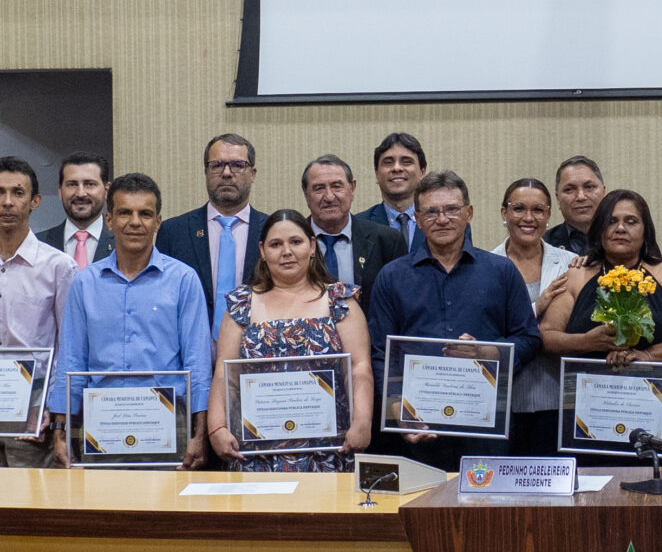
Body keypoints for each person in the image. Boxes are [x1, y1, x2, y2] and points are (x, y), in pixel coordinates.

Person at [367, 170, 541, 467]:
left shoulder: (501, 272)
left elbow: (529, 339)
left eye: (451, 209)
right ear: (418, 218)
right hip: (418, 426)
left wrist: (488, 351)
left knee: (484, 498)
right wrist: (395, 407)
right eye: (431, 212)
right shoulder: (392, 276)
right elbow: (380, 353)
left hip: (485, 427)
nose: (442, 219)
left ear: (468, 213)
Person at [49, 173, 212, 469]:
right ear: (109, 221)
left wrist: (200, 434)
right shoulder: (85, 283)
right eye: (125, 213)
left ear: (158, 222)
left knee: (167, 500)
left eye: (145, 214)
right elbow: (71, 360)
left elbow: (197, 363)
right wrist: (60, 431)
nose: (135, 222)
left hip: (168, 422)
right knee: (103, 499)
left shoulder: (183, 280)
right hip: (100, 423)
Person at [540, 190, 662, 459]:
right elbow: (546, 336)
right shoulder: (577, 275)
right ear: (599, 229)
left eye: (631, 221)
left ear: (645, 230)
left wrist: (647, 355)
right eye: (611, 221)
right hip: (592, 415)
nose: (620, 228)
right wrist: (587, 341)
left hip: (658, 411)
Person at [206, 209, 373, 472]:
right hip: (256, 455)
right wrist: (217, 427)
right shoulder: (241, 305)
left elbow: (359, 368)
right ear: (262, 251)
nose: (287, 252)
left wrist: (362, 421)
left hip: (328, 452)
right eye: (275, 244)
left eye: (296, 242)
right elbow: (224, 376)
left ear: (312, 246)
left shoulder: (340, 302)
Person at [0, 157, 76, 466]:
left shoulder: (58, 267)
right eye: (0, 192)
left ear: (35, 201)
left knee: (25, 495)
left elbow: (67, 346)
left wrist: (52, 407)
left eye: (18, 193)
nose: (7, 202)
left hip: (32, 413)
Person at [491, 178, 574, 456]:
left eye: (538, 210)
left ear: (549, 215)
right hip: (503, 401)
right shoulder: (485, 265)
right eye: (519, 208)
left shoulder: (572, 264)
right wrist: (538, 307)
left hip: (558, 398)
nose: (528, 218)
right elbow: (488, 330)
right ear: (504, 212)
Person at [157, 134, 267, 339]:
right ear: (206, 172)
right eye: (217, 165)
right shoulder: (174, 232)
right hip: (190, 349)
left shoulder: (272, 232)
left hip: (257, 349)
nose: (226, 173)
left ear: (252, 173)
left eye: (237, 165)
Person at [302, 155, 406, 320]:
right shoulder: (291, 242)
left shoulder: (387, 240)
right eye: (319, 188)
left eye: (337, 186)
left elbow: (400, 306)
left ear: (352, 188)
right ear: (306, 194)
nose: (329, 197)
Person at [35, 152, 113, 266]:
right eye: (72, 184)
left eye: (89, 184)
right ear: (60, 191)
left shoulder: (123, 243)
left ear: (106, 191)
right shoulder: (37, 245)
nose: (80, 193)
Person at [545, 156, 606, 256]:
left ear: (603, 192)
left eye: (589, 187)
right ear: (558, 199)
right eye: (569, 189)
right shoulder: (543, 245)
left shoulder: (623, 239)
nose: (581, 197)